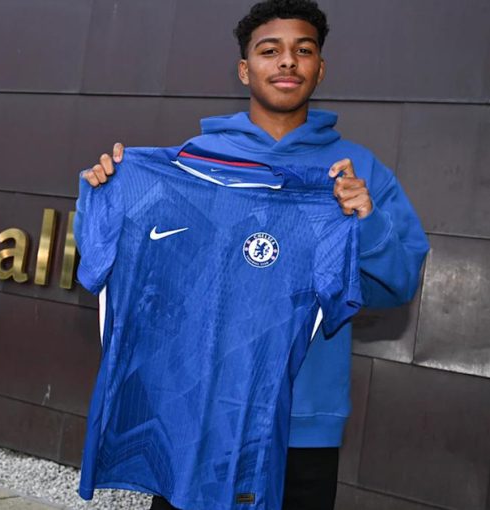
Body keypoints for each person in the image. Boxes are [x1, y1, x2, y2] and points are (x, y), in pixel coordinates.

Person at [79, 1, 429, 508]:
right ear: (245, 69)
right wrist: (107, 196)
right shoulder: (193, 164)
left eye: (303, 50)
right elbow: (123, 269)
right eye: (270, 50)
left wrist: (365, 222)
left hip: (301, 426)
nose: (287, 61)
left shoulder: (359, 171)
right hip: (194, 410)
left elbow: (398, 283)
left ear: (320, 69)